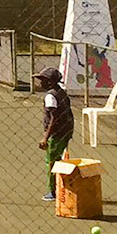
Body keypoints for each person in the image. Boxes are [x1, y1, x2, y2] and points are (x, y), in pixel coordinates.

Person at [36, 66, 73, 202]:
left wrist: (45, 137)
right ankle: (60, 187)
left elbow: (54, 117)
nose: (40, 83)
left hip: (56, 133)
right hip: (67, 130)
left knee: (51, 161)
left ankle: (53, 191)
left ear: (50, 82)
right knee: (58, 159)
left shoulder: (50, 96)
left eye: (43, 80)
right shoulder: (61, 92)